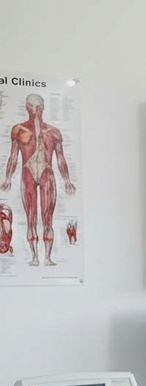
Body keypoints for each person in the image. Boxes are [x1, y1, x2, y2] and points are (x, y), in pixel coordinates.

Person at [1, 94, 78, 267]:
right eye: (31, 106)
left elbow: (60, 158)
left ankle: (48, 257)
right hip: (28, 172)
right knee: (31, 216)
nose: (35, 110)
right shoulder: (19, 130)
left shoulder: (53, 132)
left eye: (37, 106)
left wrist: (67, 180)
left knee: (47, 217)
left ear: (42, 107)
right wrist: (8, 178)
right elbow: (13, 157)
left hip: (47, 173)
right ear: (27, 107)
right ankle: (34, 257)